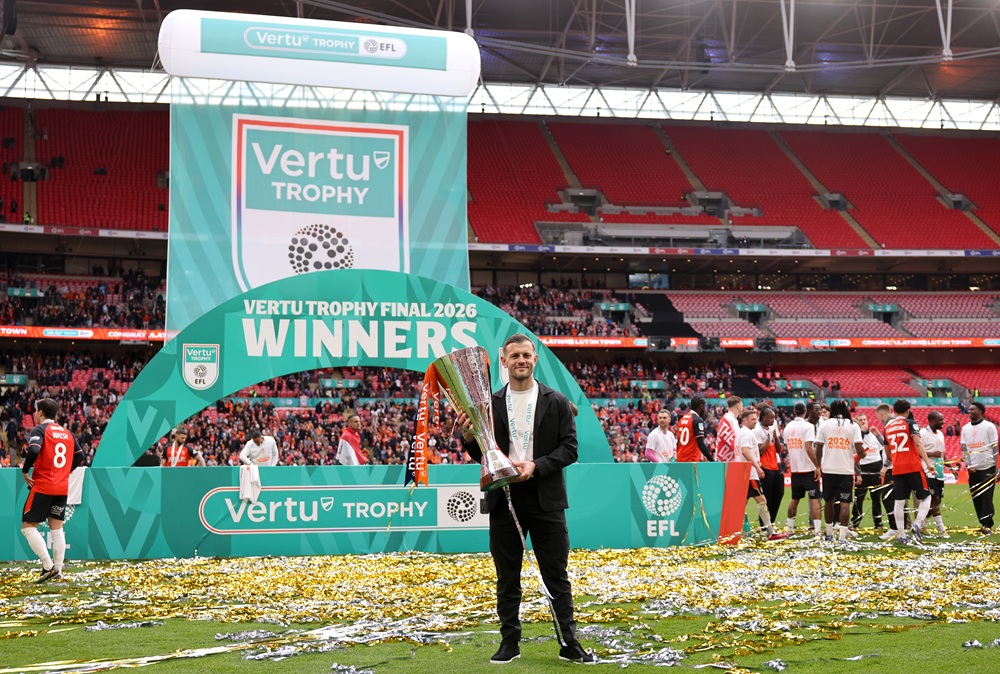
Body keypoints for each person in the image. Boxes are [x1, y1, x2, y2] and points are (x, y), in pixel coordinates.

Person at [455, 334, 594, 664]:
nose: (521, 360)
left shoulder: (557, 401)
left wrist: (536, 466)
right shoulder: (487, 404)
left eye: (527, 355)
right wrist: (467, 437)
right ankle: (509, 642)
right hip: (504, 499)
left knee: (556, 576)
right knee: (507, 577)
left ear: (535, 359)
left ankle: (569, 643)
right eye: (514, 355)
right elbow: (482, 453)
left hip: (547, 497)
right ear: (503, 361)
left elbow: (570, 449)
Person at [21, 398, 84, 583]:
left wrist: (25, 471)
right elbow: (80, 457)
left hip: (43, 485)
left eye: (35, 410)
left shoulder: (40, 430)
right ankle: (58, 571)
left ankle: (48, 566)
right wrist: (64, 472)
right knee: (57, 530)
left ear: (40, 412)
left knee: (28, 527)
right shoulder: (67, 433)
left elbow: (33, 451)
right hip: (62, 487)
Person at [884, 400, 935, 544]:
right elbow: (918, 443)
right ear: (907, 411)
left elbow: (887, 453)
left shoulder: (888, 427)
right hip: (913, 466)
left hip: (897, 468)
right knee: (926, 497)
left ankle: (902, 536)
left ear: (893, 411)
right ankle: (917, 523)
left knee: (899, 502)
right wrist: (928, 463)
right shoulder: (910, 423)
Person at [814, 399, 864, 543]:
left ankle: (829, 534)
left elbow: (818, 447)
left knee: (828, 502)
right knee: (845, 503)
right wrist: (862, 455)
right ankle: (842, 537)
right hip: (846, 470)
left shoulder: (824, 425)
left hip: (828, 469)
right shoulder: (853, 425)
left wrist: (818, 466)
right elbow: (860, 450)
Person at [735, 409, 786, 540]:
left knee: (740, 504)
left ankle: (732, 529)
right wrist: (757, 467)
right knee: (762, 501)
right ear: (745, 420)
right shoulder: (747, 433)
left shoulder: (740, 432)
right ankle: (770, 531)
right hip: (750, 473)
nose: (755, 422)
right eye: (753, 419)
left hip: (743, 472)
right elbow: (746, 451)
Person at [784, 402, 822, 536]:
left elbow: (787, 447)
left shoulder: (787, 427)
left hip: (795, 470)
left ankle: (789, 529)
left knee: (794, 499)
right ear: (806, 411)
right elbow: (808, 447)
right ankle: (817, 531)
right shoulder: (808, 426)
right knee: (815, 499)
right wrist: (817, 465)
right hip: (808, 469)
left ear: (794, 411)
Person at [961, 402, 998, 535]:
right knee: (976, 497)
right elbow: (964, 448)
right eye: (969, 409)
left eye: (972, 409)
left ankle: (988, 524)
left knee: (987, 497)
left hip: (988, 467)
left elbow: (994, 447)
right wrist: (968, 463)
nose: (969, 411)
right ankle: (982, 523)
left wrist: (996, 466)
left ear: (981, 411)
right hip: (973, 469)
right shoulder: (965, 428)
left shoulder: (989, 426)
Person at [851, 413, 885, 530]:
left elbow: (883, 450)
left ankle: (878, 523)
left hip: (876, 472)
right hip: (863, 472)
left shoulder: (874, 435)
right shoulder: (856, 437)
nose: (863, 421)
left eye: (865, 419)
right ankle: (855, 522)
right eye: (860, 420)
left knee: (876, 499)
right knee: (858, 499)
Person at [919, 412, 949, 538]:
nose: (943, 422)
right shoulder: (922, 433)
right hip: (927, 471)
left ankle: (922, 525)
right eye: (940, 420)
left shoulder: (941, 434)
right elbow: (917, 452)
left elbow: (942, 454)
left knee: (937, 500)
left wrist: (951, 468)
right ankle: (941, 530)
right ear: (931, 420)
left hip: (939, 471)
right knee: (934, 500)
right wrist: (931, 454)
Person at [753, 404, 784, 523]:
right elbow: (760, 451)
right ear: (763, 418)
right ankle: (764, 525)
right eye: (770, 418)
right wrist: (768, 437)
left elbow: (778, 449)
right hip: (765, 466)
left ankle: (771, 522)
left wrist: (775, 437)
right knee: (767, 498)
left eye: (774, 417)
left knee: (779, 494)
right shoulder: (756, 431)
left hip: (776, 465)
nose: (773, 420)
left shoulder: (772, 428)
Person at [675, 396, 713, 462]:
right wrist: (712, 460)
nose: (705, 408)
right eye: (704, 406)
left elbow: (678, 442)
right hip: (691, 459)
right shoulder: (698, 420)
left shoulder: (682, 419)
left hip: (680, 458)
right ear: (701, 406)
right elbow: (700, 443)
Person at [714, 396, 743, 462]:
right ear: (737, 406)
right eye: (742, 406)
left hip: (732, 459)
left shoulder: (734, 419)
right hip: (724, 460)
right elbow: (728, 440)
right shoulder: (727, 418)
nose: (742, 408)